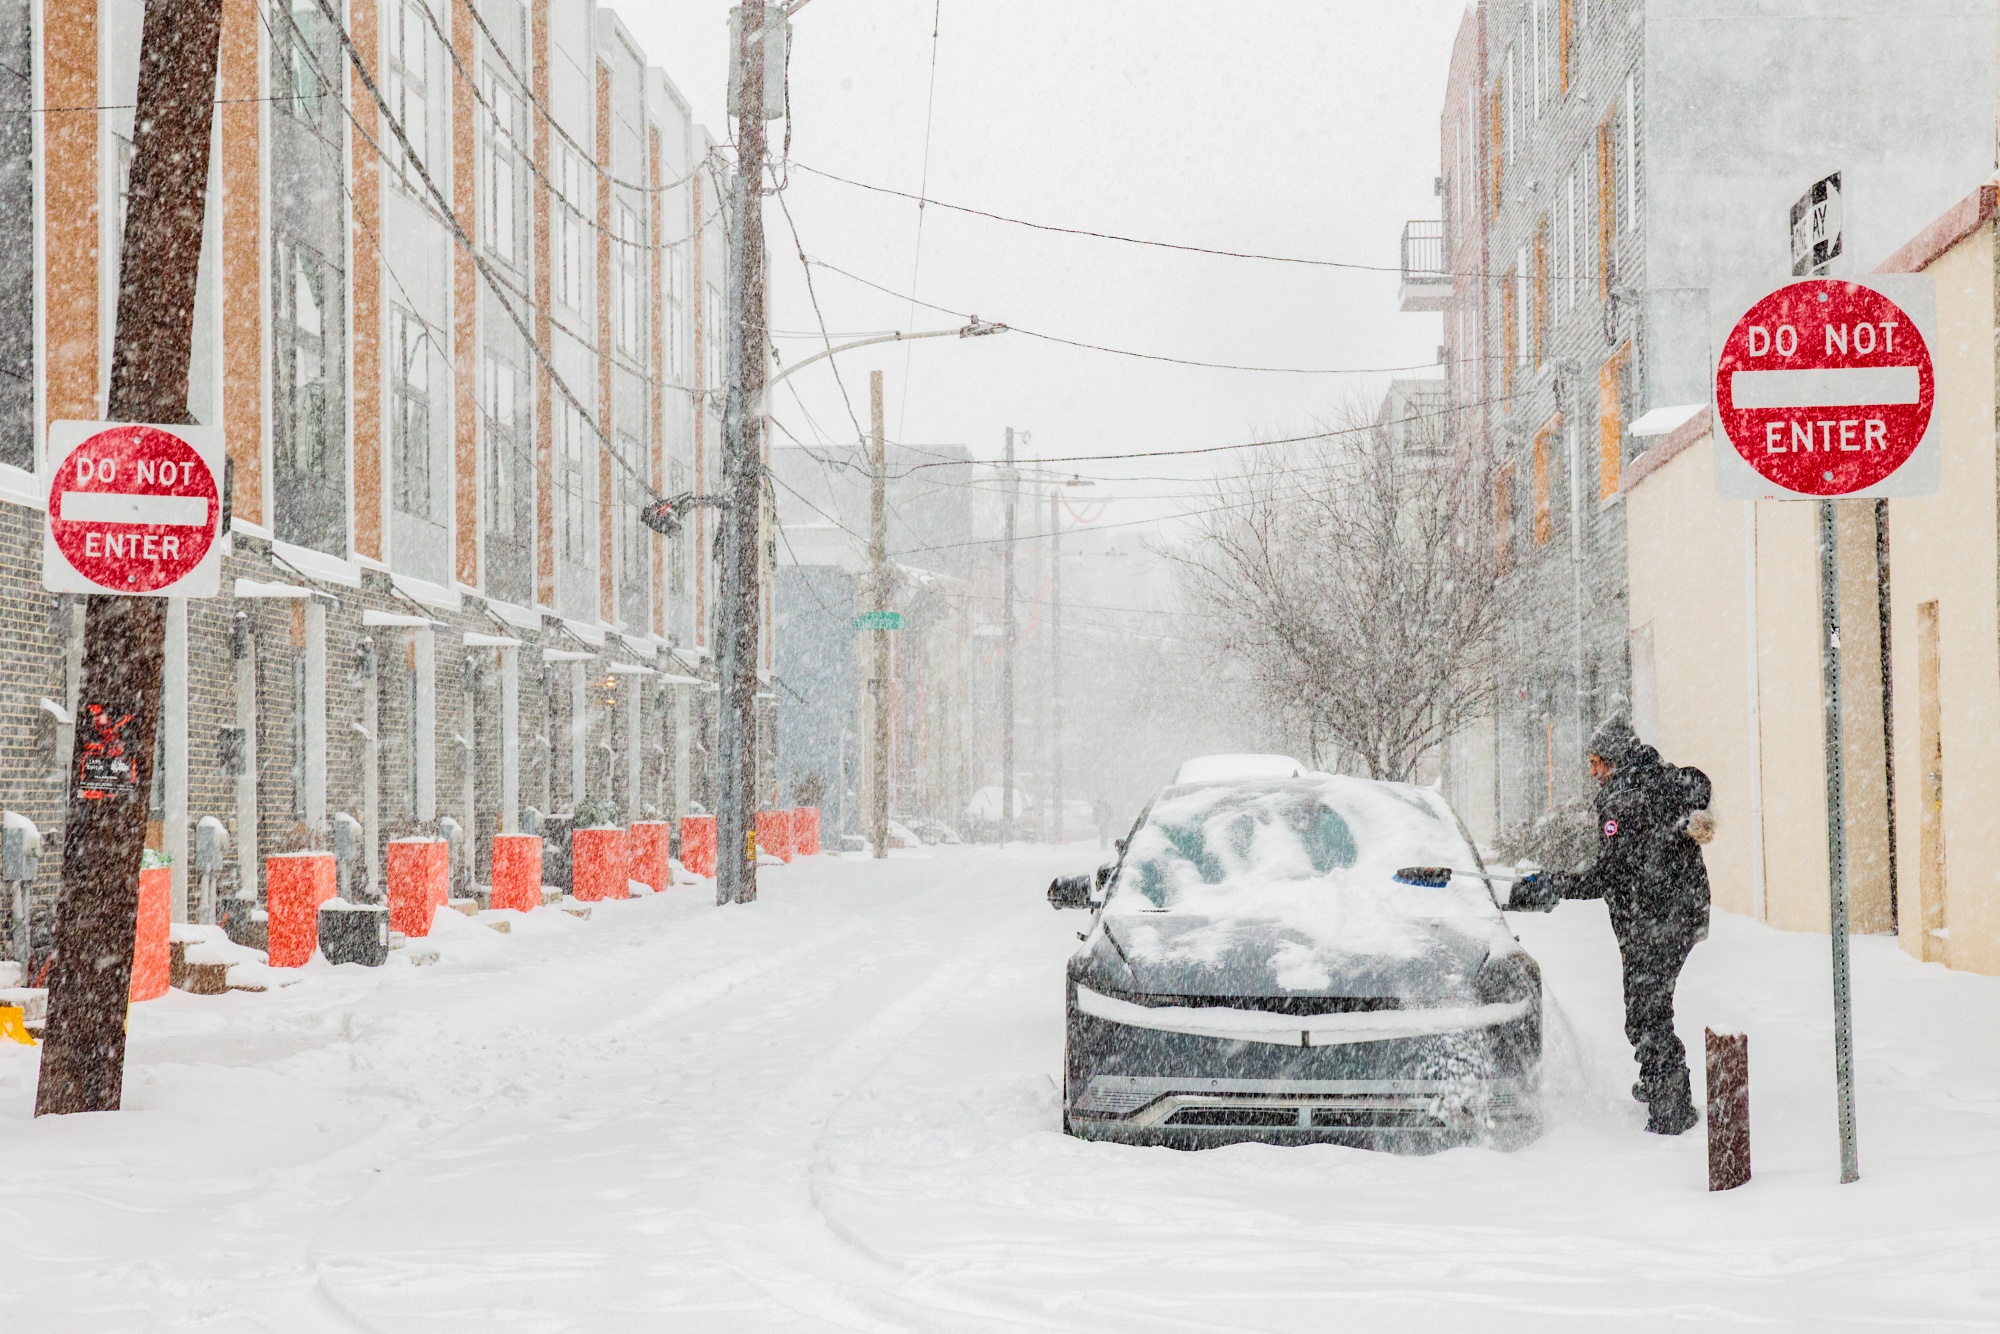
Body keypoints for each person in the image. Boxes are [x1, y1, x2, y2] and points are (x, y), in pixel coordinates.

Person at [1516, 712, 1712, 1136]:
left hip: (1656, 920)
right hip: (1681, 913)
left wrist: (1555, 885)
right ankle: (1660, 1083)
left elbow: (1611, 872)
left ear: (1615, 759)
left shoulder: (1625, 800)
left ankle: (1672, 1110)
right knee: (1649, 1008)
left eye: (1596, 763)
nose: (1592, 772)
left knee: (1646, 1015)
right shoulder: (1657, 778)